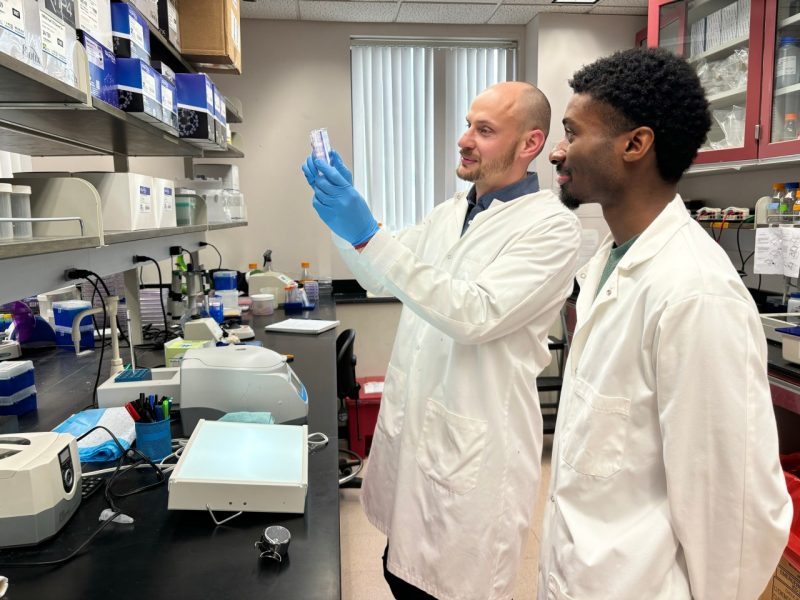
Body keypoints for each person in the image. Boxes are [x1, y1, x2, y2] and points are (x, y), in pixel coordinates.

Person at [302, 81, 581, 600]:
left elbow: (474, 313)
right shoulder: (451, 211)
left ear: (530, 144)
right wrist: (343, 222)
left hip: (473, 458)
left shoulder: (552, 229)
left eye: (485, 130)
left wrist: (369, 233)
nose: (465, 139)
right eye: (468, 124)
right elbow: (379, 276)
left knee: (445, 586)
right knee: (398, 571)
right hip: (419, 442)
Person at [539, 47, 792, 600]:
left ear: (635, 144)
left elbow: (733, 508)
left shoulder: (694, 294)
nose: (557, 152)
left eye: (572, 133)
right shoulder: (609, 260)